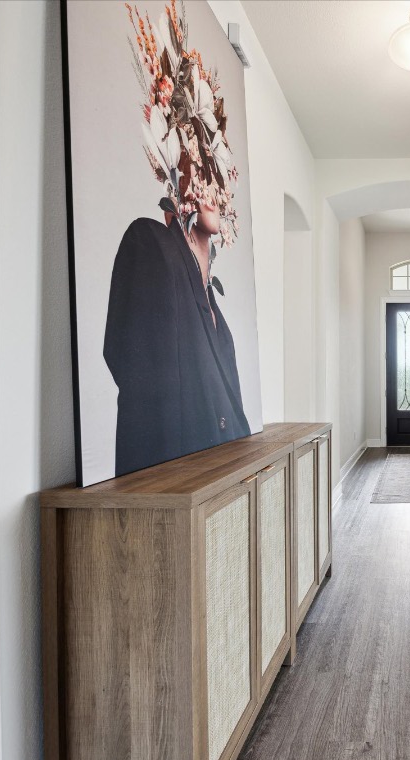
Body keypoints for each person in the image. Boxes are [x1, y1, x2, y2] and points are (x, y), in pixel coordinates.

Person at [104, 1, 250, 476]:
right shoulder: (150, 247)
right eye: (196, 155)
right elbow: (143, 394)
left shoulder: (216, 308)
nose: (210, 174)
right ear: (174, 167)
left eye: (218, 161)